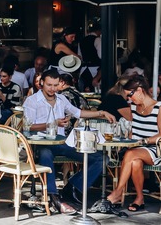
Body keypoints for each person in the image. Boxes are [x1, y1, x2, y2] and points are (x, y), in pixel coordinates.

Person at [23, 70, 115, 214]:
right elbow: (28, 126)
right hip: (40, 143)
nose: (52, 89)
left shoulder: (61, 99)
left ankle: (73, 187)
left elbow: (78, 113)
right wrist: (52, 123)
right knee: (46, 155)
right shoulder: (32, 100)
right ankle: (54, 197)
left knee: (101, 158)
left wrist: (101, 113)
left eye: (55, 85)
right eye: (49, 85)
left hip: (61, 143)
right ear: (42, 83)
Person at [106, 76, 161, 211]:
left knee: (131, 154)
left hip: (155, 149)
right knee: (135, 161)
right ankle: (139, 198)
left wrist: (144, 141)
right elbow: (133, 131)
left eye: (130, 95)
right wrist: (127, 142)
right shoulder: (133, 107)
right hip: (136, 149)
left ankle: (117, 192)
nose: (129, 99)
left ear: (140, 90)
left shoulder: (159, 107)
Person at [78, 23, 101, 92]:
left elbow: (79, 56)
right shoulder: (97, 39)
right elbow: (101, 56)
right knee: (95, 91)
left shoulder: (82, 40)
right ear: (99, 31)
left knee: (84, 90)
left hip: (83, 70)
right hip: (95, 70)